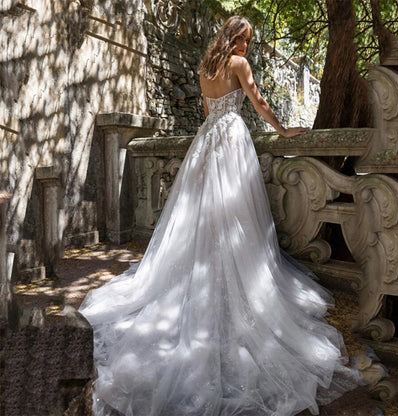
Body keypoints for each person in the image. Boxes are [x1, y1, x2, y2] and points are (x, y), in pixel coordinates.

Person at [79, 15, 363, 416]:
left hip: (206, 140)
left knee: (205, 213)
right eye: (244, 40)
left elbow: (210, 107)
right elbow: (258, 102)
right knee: (234, 213)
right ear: (234, 39)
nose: (247, 47)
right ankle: (233, 279)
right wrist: (282, 132)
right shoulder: (238, 65)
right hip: (230, 139)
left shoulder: (205, 67)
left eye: (248, 42)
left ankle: (208, 270)